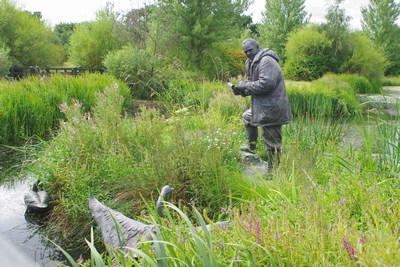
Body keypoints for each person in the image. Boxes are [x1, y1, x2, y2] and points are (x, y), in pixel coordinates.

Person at [230, 38, 292, 169]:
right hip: (261, 106)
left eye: (250, 50)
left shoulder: (267, 61)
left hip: (273, 108)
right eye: (245, 51)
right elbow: (254, 85)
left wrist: (245, 85)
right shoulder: (251, 62)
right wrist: (242, 90)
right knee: (247, 117)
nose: (247, 53)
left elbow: (266, 84)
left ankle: (273, 169)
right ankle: (251, 146)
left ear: (257, 47)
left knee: (272, 141)